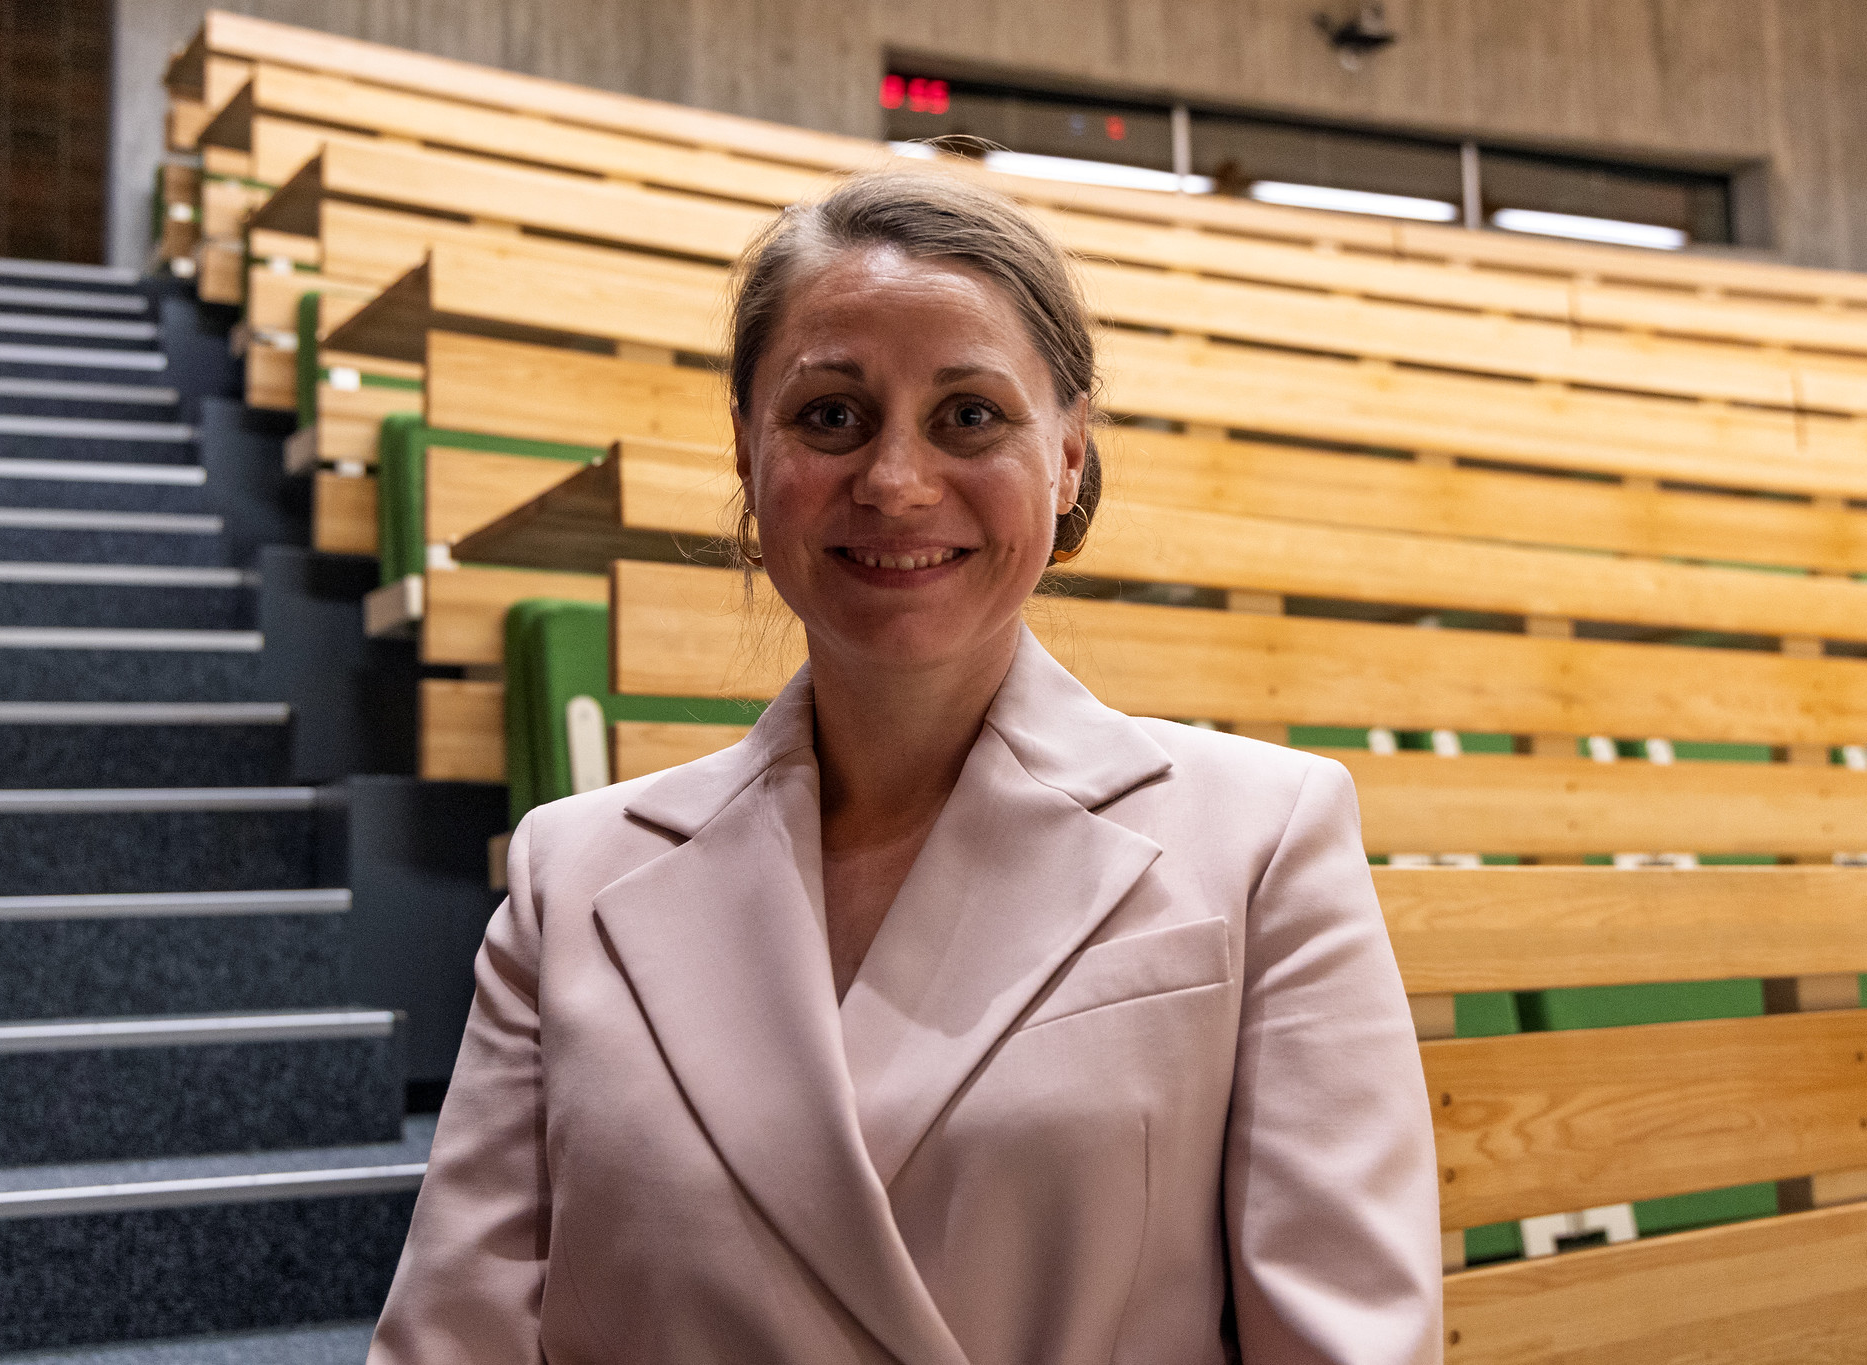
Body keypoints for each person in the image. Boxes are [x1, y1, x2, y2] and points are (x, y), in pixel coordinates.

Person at [368, 170, 1441, 1365]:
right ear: (747, 453)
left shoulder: (1264, 840)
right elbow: (451, 1343)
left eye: (969, 416)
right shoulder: (571, 875)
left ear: (1068, 456)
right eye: (830, 416)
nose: (894, 481)